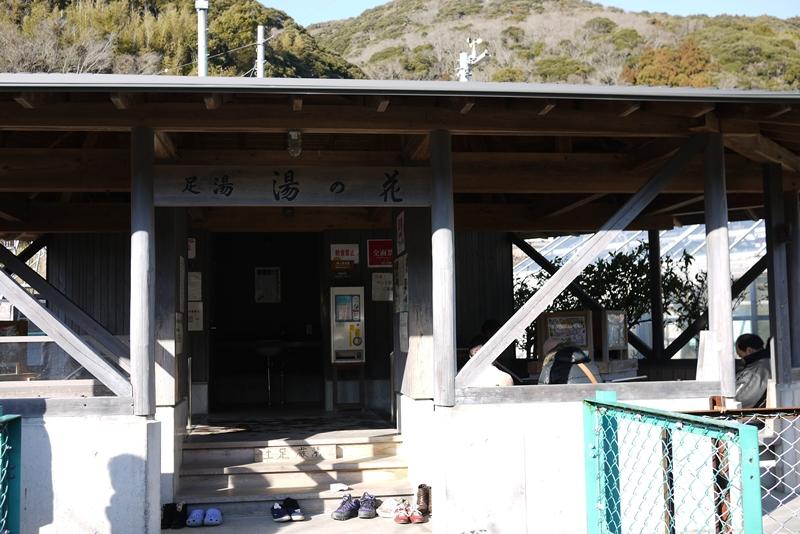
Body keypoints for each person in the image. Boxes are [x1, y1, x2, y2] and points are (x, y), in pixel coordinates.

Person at [538, 337, 602, 385]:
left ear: (549, 354)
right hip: (590, 399)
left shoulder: (550, 369)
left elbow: (542, 394)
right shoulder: (592, 365)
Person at [734, 333, 771, 408]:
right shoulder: (765, 363)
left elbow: (740, 399)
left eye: (741, 356)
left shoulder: (756, 370)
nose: (742, 360)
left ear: (749, 350)